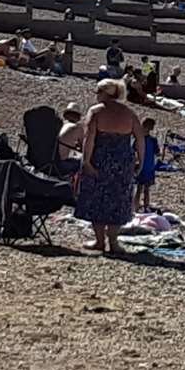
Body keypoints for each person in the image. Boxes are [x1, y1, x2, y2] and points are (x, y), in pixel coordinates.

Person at [76, 78, 144, 255]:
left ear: (106, 93)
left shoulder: (97, 111)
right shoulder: (129, 113)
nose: (96, 95)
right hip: (123, 160)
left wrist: (86, 161)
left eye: (98, 91)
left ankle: (99, 241)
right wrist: (141, 161)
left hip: (101, 158)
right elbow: (140, 138)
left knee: (97, 198)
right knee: (118, 198)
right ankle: (113, 242)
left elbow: (89, 137)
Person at [134, 117, 159, 211]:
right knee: (143, 189)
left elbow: (133, 151)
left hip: (144, 167)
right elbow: (157, 152)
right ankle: (143, 207)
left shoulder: (139, 139)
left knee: (141, 189)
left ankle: (139, 208)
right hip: (147, 167)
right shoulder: (151, 140)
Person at [55, 103, 83, 174]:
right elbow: (83, 146)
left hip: (53, 159)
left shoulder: (61, 125)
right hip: (62, 163)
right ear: (78, 116)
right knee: (83, 163)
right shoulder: (77, 127)